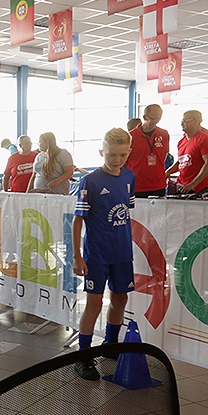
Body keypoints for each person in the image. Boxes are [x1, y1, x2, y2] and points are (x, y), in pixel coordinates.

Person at [71, 128, 135, 380]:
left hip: (121, 253)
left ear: (129, 152)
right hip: (96, 255)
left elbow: (125, 212)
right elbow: (78, 220)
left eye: (122, 155)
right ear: (101, 152)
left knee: (120, 299)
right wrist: (77, 255)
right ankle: (83, 355)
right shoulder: (90, 181)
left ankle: (111, 343)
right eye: (111, 155)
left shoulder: (129, 176)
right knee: (94, 303)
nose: (117, 160)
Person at [168, 110, 208, 194]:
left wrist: (193, 184)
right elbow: (181, 161)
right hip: (183, 185)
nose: (182, 124)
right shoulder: (181, 142)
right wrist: (168, 172)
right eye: (182, 121)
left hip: (199, 188)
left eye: (185, 121)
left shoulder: (205, 139)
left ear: (195, 122)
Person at [125, 104, 170, 198]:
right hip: (137, 185)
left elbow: (164, 155)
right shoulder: (130, 136)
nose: (156, 122)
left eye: (159, 118)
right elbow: (124, 161)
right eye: (153, 119)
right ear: (145, 117)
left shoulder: (164, 134)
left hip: (158, 185)